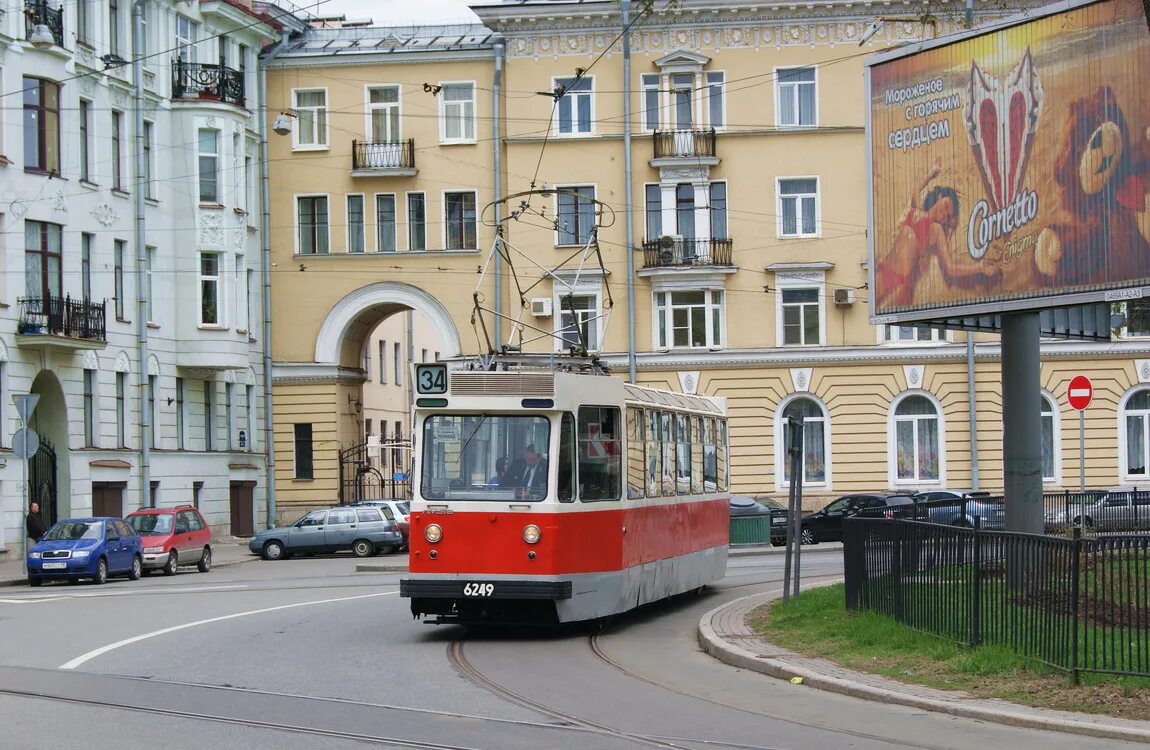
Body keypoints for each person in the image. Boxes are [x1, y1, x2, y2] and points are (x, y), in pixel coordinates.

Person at [876, 157, 999, 310]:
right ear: (940, 197)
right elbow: (915, 189)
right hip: (885, 269)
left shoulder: (936, 230)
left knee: (881, 314)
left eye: (948, 216)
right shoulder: (918, 210)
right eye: (947, 206)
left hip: (901, 283)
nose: (945, 214)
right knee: (869, 311)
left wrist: (979, 267)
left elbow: (949, 268)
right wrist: (931, 173)